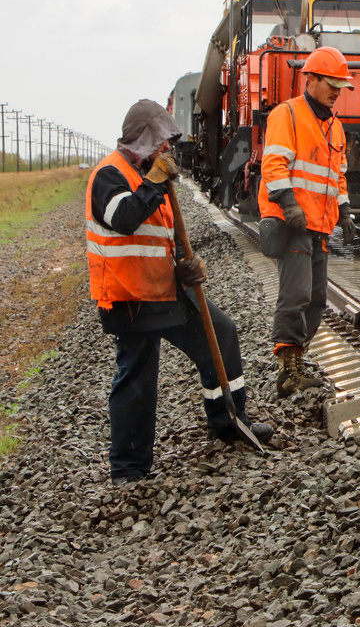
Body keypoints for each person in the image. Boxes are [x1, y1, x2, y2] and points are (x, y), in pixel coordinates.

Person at [86, 100, 273, 485]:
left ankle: (227, 420)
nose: (169, 149)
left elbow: (158, 240)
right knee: (137, 376)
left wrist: (184, 269)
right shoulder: (110, 174)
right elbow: (123, 219)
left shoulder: (151, 177)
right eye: (162, 141)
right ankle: (128, 469)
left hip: (164, 289)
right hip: (129, 297)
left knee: (219, 333)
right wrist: (154, 181)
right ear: (143, 141)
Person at [258, 45, 357, 394]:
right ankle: (288, 368)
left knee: (316, 298)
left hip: (320, 226)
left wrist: (344, 210)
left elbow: (336, 176)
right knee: (296, 294)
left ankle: (298, 356)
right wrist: (289, 204)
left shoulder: (336, 127)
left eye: (340, 85)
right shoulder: (287, 115)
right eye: (331, 83)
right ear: (311, 79)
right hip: (292, 222)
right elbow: (273, 165)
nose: (336, 91)